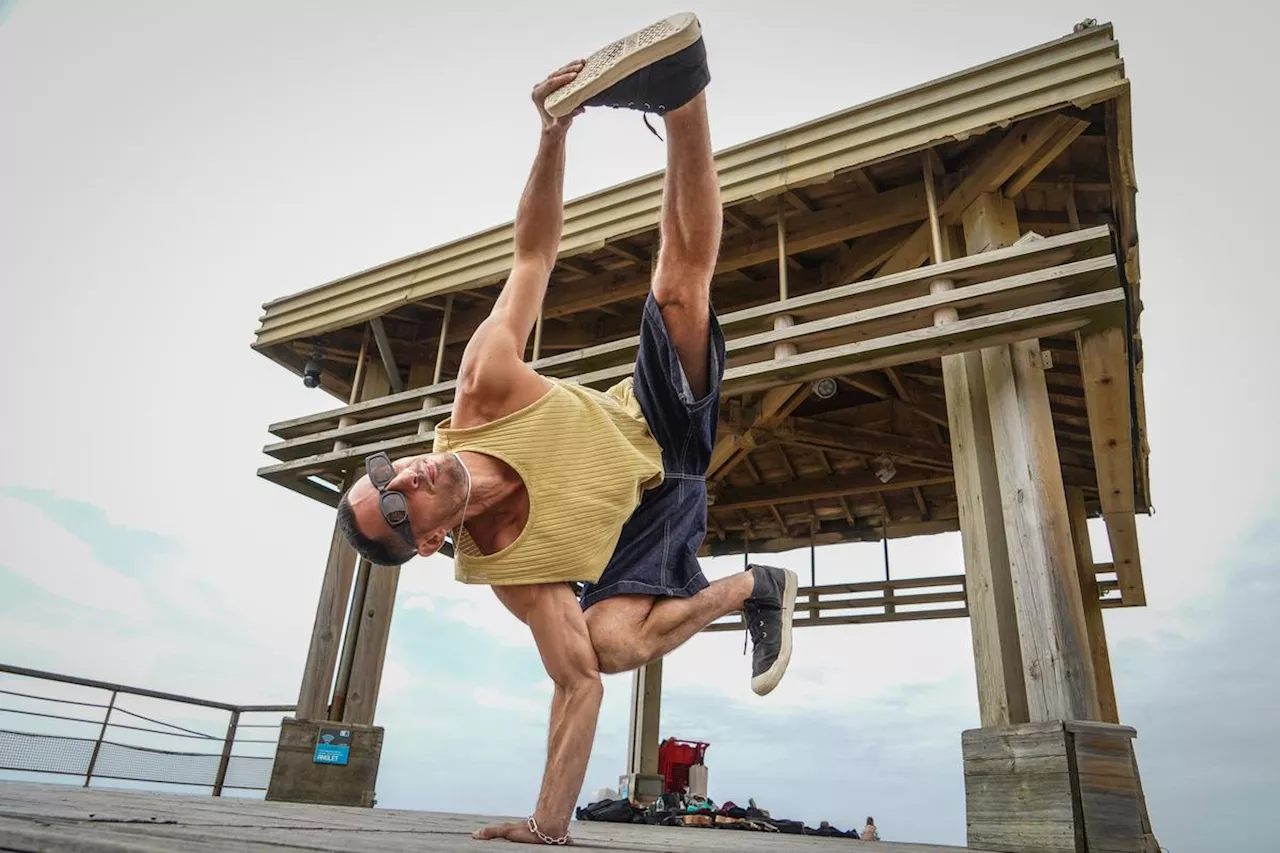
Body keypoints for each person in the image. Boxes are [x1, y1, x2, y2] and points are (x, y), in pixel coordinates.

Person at [334, 12, 798, 846]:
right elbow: (577, 684)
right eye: (399, 513)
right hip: (641, 523)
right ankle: (752, 588)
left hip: (646, 425)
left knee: (678, 293)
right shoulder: (512, 573)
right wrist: (548, 827)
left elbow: (531, 258)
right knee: (607, 646)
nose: (404, 483)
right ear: (433, 543)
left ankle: (683, 93)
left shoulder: (483, 388)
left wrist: (552, 135)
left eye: (387, 474)